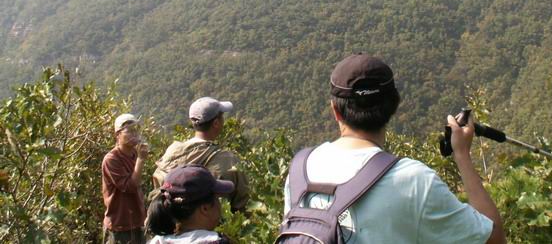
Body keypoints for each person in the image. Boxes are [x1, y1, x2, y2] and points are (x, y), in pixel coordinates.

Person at [283, 53, 506, 244]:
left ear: (335, 110)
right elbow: (492, 239)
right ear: (394, 106)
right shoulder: (414, 181)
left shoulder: (300, 170)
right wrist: (462, 154)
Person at [152, 97, 249, 212]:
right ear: (216, 123)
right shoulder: (228, 160)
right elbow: (242, 203)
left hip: (172, 220)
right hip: (213, 221)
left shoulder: (171, 153)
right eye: (222, 117)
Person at [146, 165, 233, 243]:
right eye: (217, 199)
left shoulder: (157, 241)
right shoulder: (216, 241)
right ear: (205, 208)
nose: (219, 204)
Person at [102, 113, 149, 244]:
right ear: (118, 135)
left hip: (138, 222)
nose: (134, 134)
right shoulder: (112, 159)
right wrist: (141, 160)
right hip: (120, 227)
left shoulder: (134, 154)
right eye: (129, 131)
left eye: (136, 130)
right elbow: (130, 187)